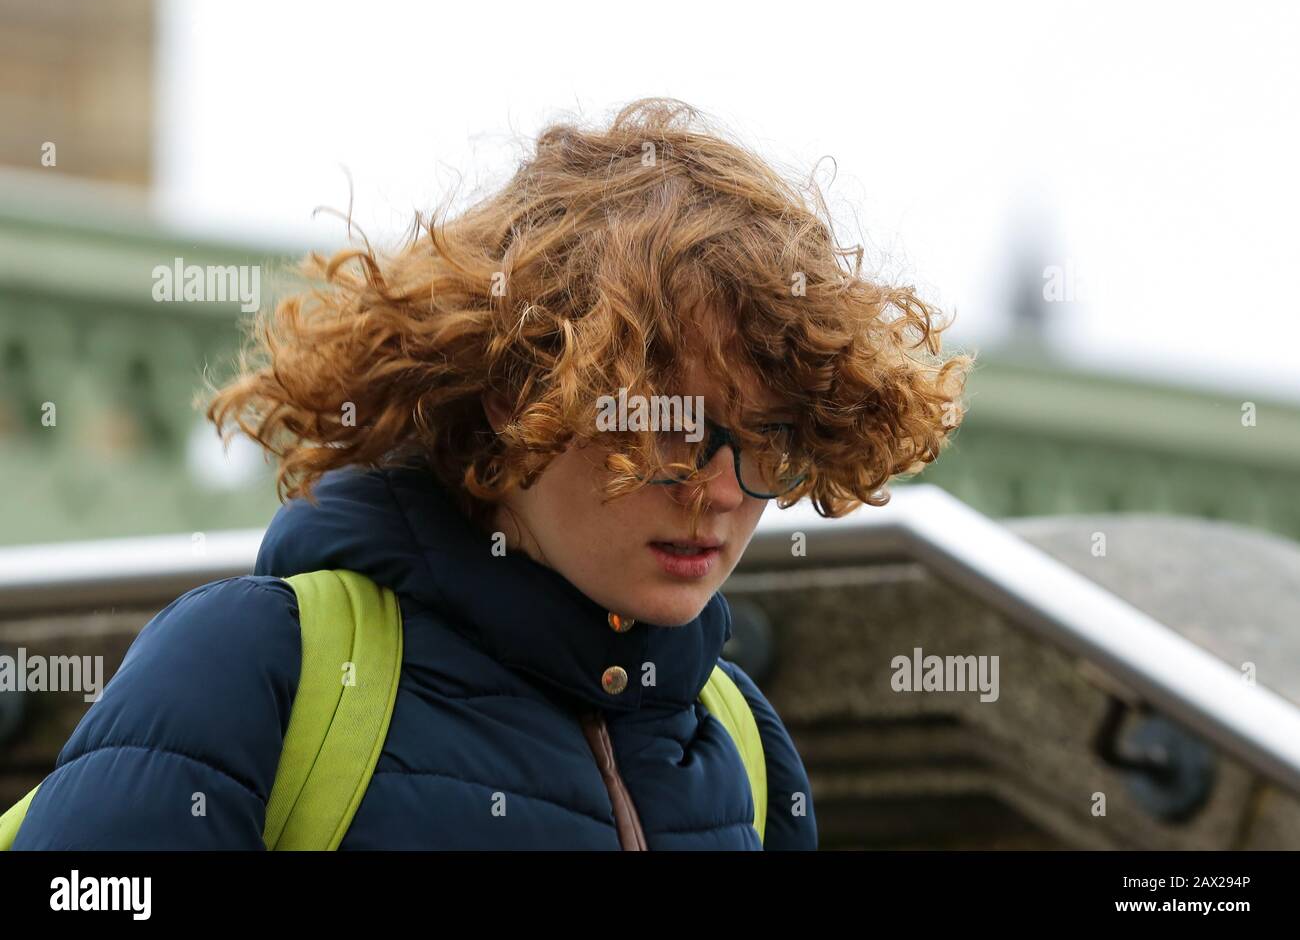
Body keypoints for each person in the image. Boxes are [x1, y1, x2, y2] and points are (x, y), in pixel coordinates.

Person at [12, 98, 969, 849]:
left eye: (769, 443)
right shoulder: (249, 670)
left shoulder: (747, 751)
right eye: (669, 432)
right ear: (520, 397)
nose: (722, 489)